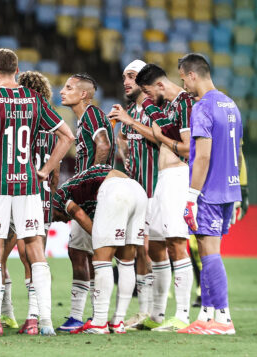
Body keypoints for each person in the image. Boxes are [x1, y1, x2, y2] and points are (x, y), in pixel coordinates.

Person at [0, 48, 74, 337]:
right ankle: (44, 321)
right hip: (29, 188)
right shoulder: (34, 99)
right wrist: (45, 170)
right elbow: (67, 136)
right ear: (17, 70)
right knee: (35, 251)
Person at [174, 54, 242, 335]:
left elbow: (201, 157)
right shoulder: (231, 105)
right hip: (229, 188)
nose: (184, 85)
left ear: (192, 75)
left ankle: (224, 320)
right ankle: (206, 316)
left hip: (209, 191)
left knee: (210, 253)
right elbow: (238, 148)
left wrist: (191, 197)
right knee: (205, 249)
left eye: (183, 79)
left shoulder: (202, 107)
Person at [45, 165, 146, 335]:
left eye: (56, 218)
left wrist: (102, 239)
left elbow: (78, 214)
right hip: (136, 190)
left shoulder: (59, 197)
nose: (61, 221)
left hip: (115, 191)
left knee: (101, 259)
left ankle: (99, 322)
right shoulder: (82, 190)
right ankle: (118, 321)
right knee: (127, 262)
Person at [134, 63, 196, 332]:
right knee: (156, 245)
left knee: (176, 243)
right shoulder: (169, 106)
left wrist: (162, 136)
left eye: (148, 92)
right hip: (163, 180)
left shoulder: (184, 103)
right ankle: (158, 314)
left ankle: (182, 315)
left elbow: (186, 147)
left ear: (159, 85)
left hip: (179, 178)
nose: (147, 98)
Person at [57, 72, 113, 332]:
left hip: (94, 195)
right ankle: (87, 315)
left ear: (83, 94)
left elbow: (103, 146)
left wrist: (91, 182)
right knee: (82, 253)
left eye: (68, 87)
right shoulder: (84, 120)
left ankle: (86, 316)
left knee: (88, 253)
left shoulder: (91, 114)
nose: (62, 91)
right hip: (93, 193)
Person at [108, 59, 159, 330]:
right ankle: (146, 312)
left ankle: (156, 311)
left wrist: (129, 122)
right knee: (139, 250)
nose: (126, 81)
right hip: (137, 190)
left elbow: (161, 138)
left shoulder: (156, 109)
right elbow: (126, 146)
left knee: (151, 250)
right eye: (124, 77)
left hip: (157, 189)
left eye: (131, 76)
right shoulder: (129, 111)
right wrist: (122, 145)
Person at [16, 71, 65, 335]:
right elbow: (56, 168)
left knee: (20, 255)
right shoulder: (51, 119)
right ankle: (37, 316)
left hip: (18, 189)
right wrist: (51, 190)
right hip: (43, 192)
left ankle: (26, 316)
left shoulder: (22, 115)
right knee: (36, 255)